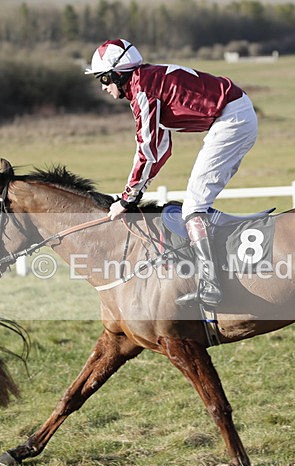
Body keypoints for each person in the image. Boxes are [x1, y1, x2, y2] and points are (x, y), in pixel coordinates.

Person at [85, 38, 258, 307]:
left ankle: (212, 285)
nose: (103, 87)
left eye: (103, 79)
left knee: (193, 207)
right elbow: (161, 148)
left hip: (232, 120)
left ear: (117, 75)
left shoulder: (142, 88)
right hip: (234, 114)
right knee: (197, 202)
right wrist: (134, 191)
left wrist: (128, 198)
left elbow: (148, 148)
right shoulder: (144, 81)